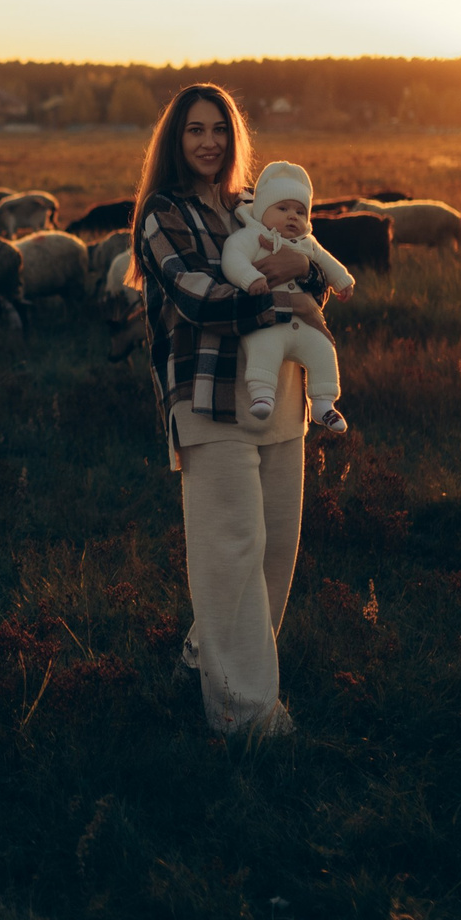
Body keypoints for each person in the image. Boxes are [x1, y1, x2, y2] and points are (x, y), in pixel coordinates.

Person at [126, 84, 332, 738]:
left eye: (219, 129)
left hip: (280, 395)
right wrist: (290, 301)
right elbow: (198, 298)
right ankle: (244, 716)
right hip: (208, 395)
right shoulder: (164, 213)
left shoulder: (253, 206)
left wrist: (309, 278)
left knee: (275, 548)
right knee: (231, 548)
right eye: (194, 130)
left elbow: (314, 273)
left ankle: (203, 657)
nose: (209, 141)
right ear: (175, 140)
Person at [219, 160, 356, 433]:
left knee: (323, 347)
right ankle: (262, 394)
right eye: (282, 209)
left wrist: (341, 280)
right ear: (261, 211)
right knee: (262, 345)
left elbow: (325, 262)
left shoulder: (308, 243)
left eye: (299, 211)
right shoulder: (250, 237)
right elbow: (232, 259)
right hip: (269, 320)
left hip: (304, 326)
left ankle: (323, 403)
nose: (292, 216)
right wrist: (251, 278)